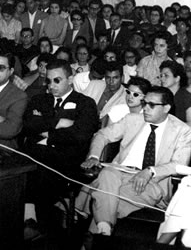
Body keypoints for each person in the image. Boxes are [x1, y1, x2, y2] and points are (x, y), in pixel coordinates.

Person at [75, 86, 191, 237]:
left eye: (152, 105)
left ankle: (97, 234)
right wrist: (94, 156)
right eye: (145, 103)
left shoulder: (182, 130)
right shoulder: (132, 119)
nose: (146, 109)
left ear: (166, 108)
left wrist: (150, 171)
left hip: (152, 182)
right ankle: (103, 233)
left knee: (106, 198)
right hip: (118, 173)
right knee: (108, 174)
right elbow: (102, 134)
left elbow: (179, 164)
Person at [22, 59, 99, 237]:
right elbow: (28, 125)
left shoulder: (85, 103)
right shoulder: (39, 99)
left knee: (39, 167)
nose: (51, 85)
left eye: (57, 80)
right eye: (48, 81)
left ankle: (38, 223)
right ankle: (30, 219)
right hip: (38, 156)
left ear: (70, 79)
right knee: (24, 166)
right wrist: (59, 122)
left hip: (67, 160)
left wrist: (48, 135)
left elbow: (81, 135)